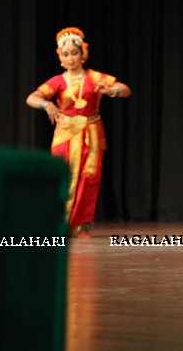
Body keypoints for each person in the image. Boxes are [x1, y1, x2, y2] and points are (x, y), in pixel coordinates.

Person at [26, 27, 131, 237]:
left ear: (83, 54)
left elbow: (125, 89)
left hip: (91, 135)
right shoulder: (57, 81)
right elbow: (31, 98)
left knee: (88, 178)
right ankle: (58, 224)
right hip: (65, 135)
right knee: (63, 175)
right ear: (61, 58)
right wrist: (47, 106)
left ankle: (81, 225)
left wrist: (112, 91)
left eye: (74, 52)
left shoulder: (94, 77)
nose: (70, 57)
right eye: (66, 54)